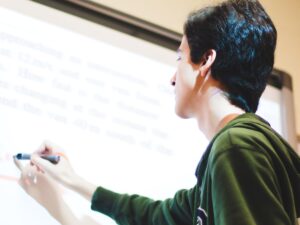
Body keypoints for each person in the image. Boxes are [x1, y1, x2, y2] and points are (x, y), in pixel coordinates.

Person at [14, 0, 300, 225]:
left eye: (180, 57)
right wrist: (72, 180)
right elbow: (154, 216)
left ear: (205, 62)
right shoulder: (238, 152)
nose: (172, 78)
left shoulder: (235, 147)